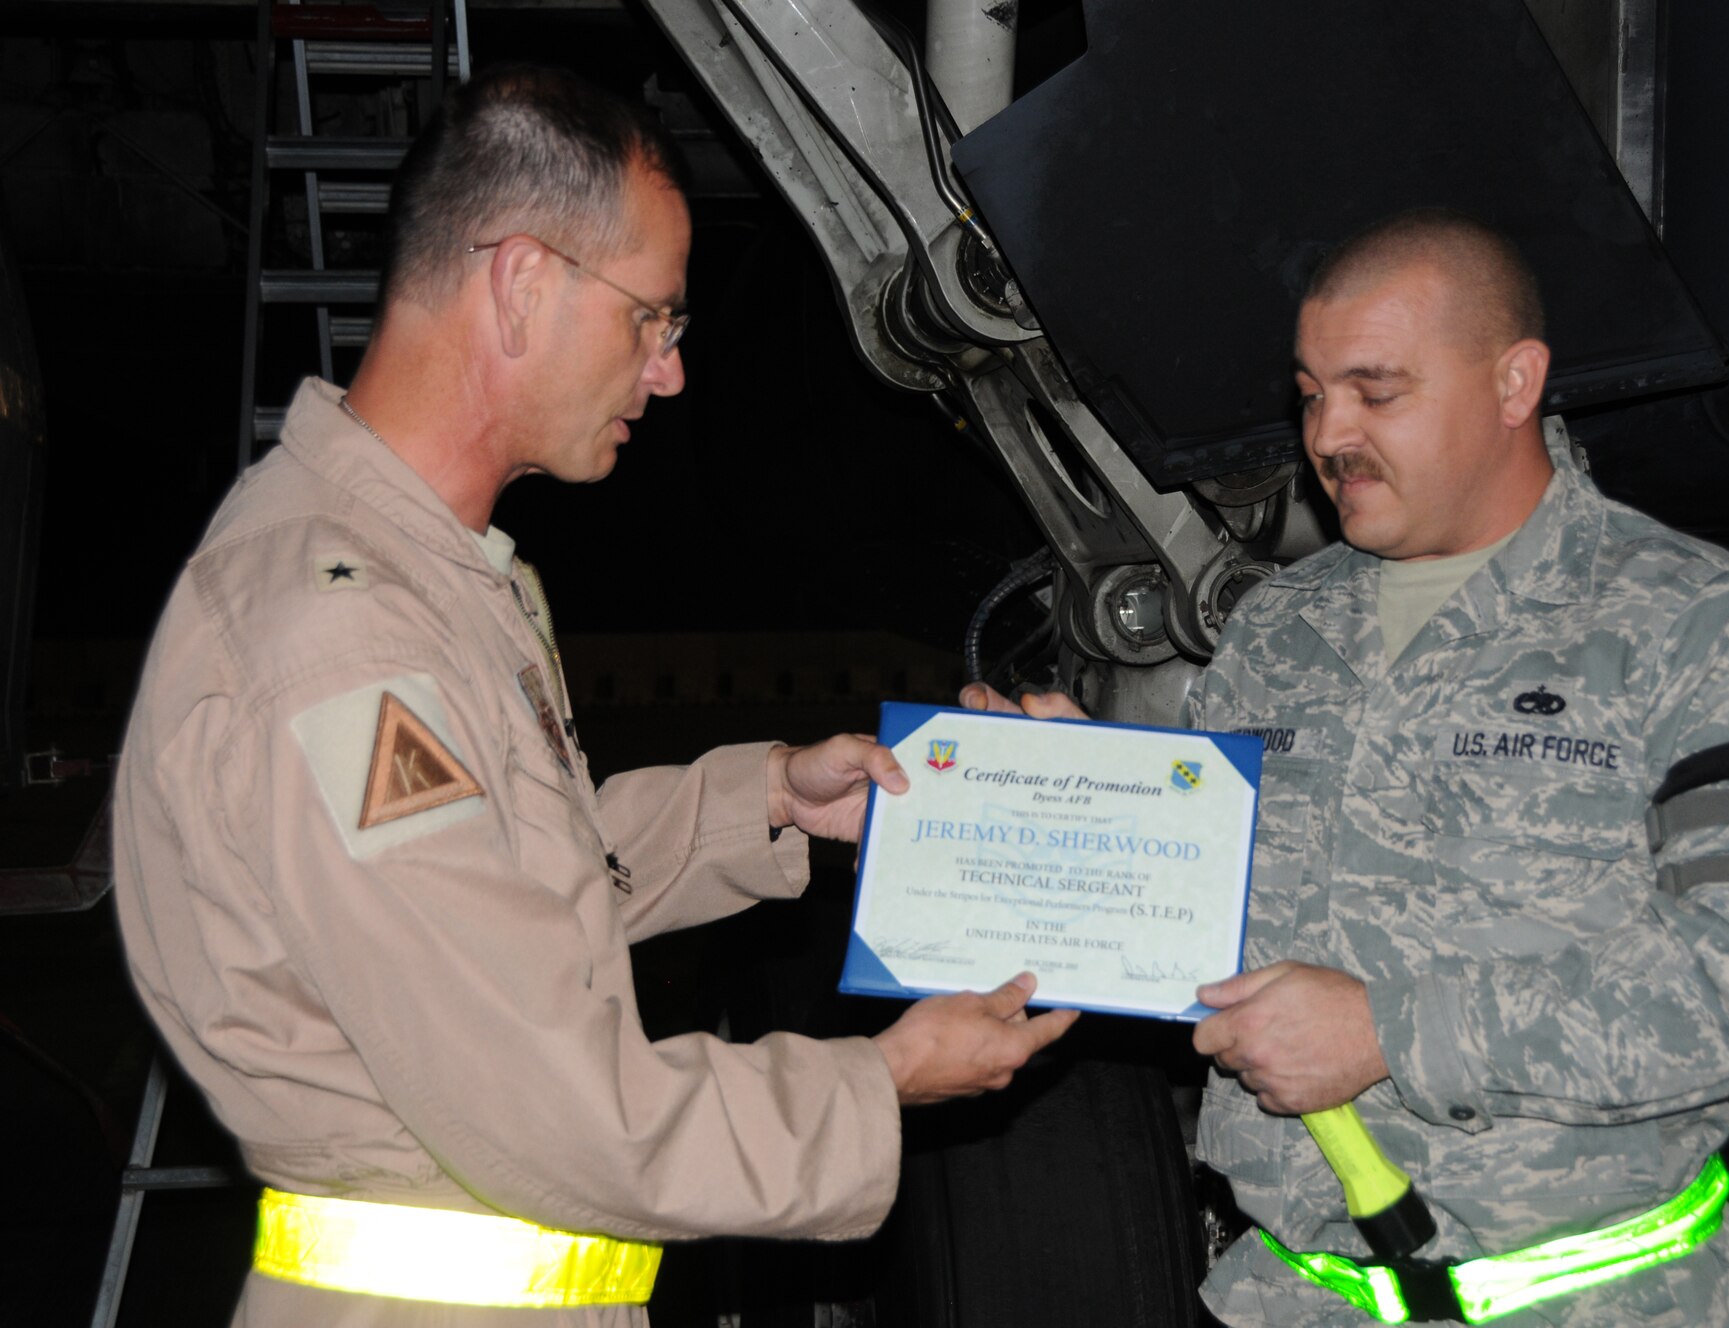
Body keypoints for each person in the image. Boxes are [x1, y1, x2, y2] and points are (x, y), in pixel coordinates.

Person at [113, 65, 1075, 1326]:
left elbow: (498, 885)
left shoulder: (414, 575)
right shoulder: (344, 642)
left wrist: (771, 799)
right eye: (652, 319)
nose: (667, 373)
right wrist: (878, 1081)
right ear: (520, 282)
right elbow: (549, 1107)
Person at [966, 208, 1729, 1325]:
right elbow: (1195, 921)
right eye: (1309, 391)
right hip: (1295, 1299)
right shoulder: (1280, 630)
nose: (1327, 432)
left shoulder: (1692, 623)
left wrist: (1390, 1030)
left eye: (1375, 391)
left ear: (1512, 381)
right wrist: (1074, 798)